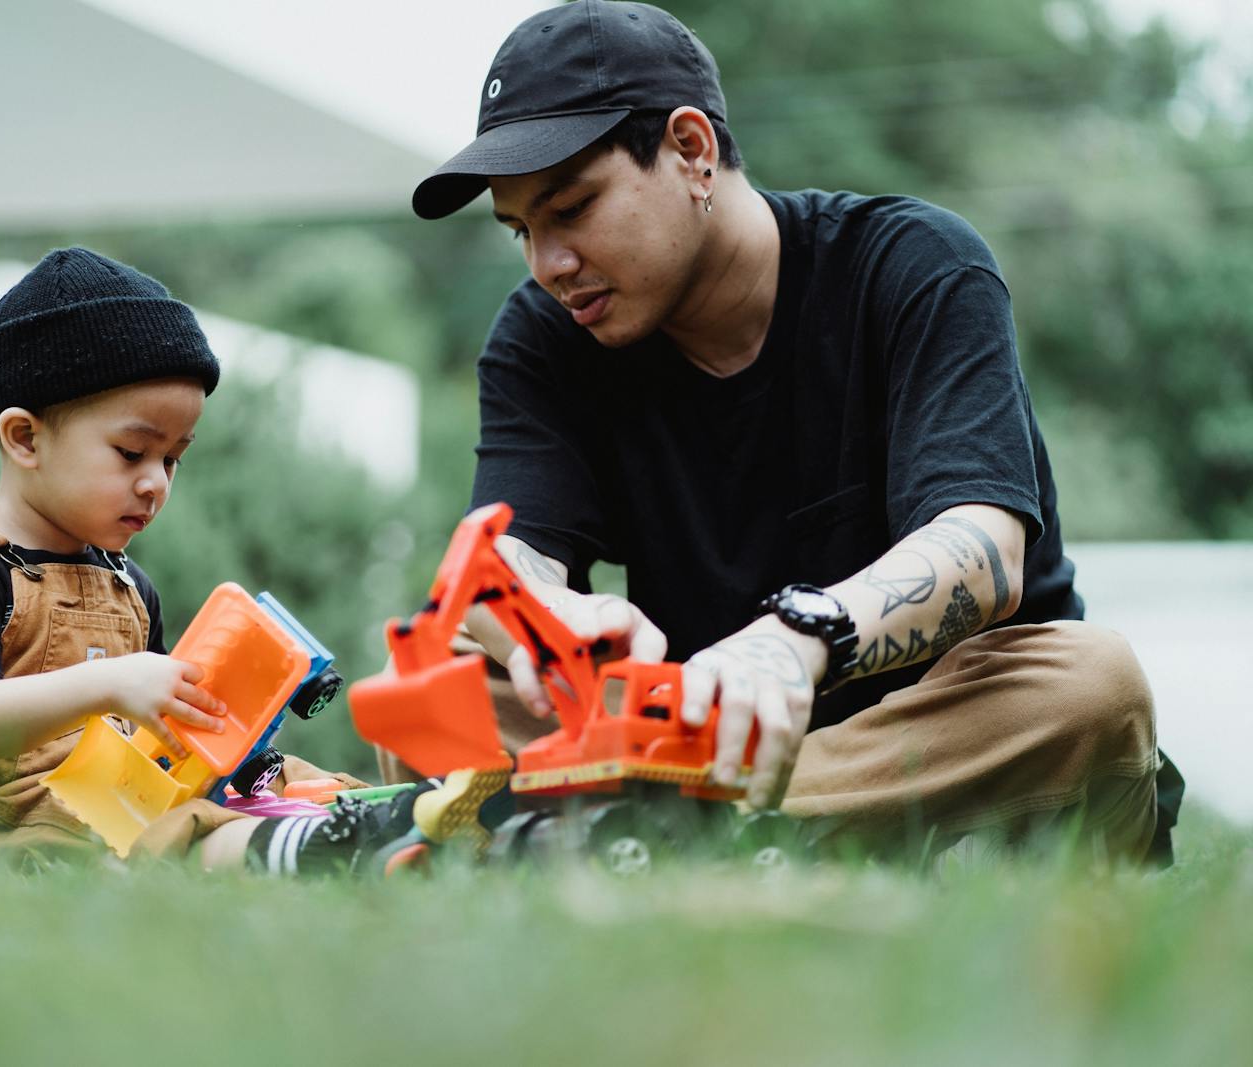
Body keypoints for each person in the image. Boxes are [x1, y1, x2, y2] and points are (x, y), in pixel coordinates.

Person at [404, 0, 1182, 862]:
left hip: (944, 743)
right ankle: (702, 827)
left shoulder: (915, 263)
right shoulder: (545, 337)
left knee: (1091, 683)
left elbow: (985, 555)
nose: (547, 263)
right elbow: (496, 571)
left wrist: (797, 638)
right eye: (521, 230)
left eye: (573, 209)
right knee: (444, 684)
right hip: (708, 736)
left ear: (692, 151)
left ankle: (660, 831)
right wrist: (546, 619)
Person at [0, 247, 485, 873]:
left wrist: (244, 748)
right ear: (25, 438)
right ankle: (309, 848)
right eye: (132, 451)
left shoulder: (127, 586)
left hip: (125, 796)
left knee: (268, 779)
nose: (156, 482)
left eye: (172, 459)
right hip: (5, 831)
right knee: (170, 832)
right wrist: (112, 682)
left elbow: (169, 737)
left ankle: (398, 818)